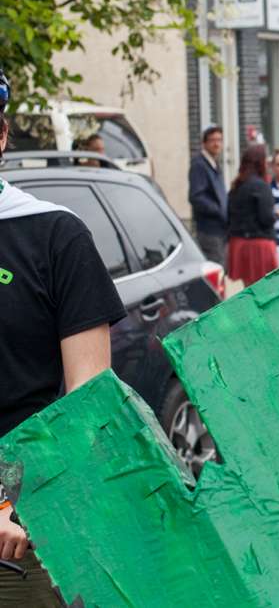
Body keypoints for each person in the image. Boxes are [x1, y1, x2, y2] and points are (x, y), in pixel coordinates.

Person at [0, 100, 127, 605]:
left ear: (2, 135)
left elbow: (87, 404)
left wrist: (13, 502)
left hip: (20, 525)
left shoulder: (54, 234)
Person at [226, 145, 278, 286]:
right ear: (260, 163)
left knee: (250, 289)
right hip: (259, 245)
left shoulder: (236, 185)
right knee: (266, 291)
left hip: (239, 243)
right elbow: (266, 218)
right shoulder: (261, 186)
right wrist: (276, 214)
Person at [189, 126, 228, 267]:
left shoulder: (215, 163)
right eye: (212, 140)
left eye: (219, 140)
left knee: (221, 267)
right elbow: (196, 196)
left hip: (220, 228)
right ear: (204, 143)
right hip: (209, 229)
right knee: (216, 268)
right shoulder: (199, 165)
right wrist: (218, 210)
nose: (217, 144)